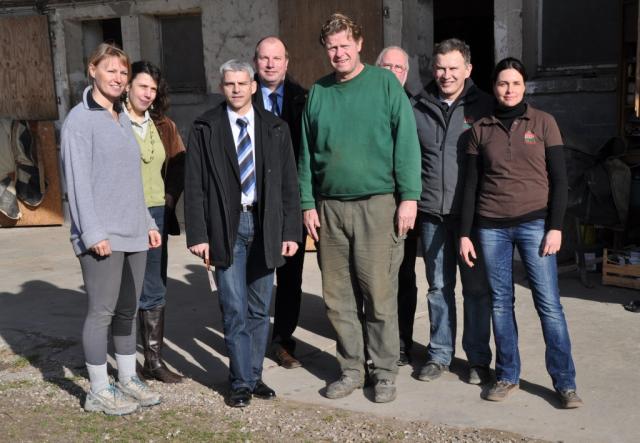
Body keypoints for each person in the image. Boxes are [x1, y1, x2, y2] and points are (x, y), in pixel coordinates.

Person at [298, 13, 421, 403]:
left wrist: (409, 197)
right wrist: (307, 203)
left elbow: (406, 143)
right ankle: (351, 369)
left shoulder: (385, 84)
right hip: (330, 209)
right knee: (337, 297)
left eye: (345, 45)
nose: (339, 53)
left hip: (377, 206)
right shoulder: (318, 93)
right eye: (332, 47)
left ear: (360, 44)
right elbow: (305, 154)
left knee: (379, 293)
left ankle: (384, 372)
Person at [459, 57, 583, 409]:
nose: (509, 89)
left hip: (535, 225)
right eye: (502, 83)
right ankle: (507, 375)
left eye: (515, 83)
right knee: (501, 303)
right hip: (491, 227)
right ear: (494, 87)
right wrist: (465, 233)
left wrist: (555, 227)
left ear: (524, 86)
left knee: (549, 305)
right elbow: (471, 186)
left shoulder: (544, 123)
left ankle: (565, 383)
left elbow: (560, 181)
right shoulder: (480, 129)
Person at [184, 60, 302, 408]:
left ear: (253, 86)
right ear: (221, 87)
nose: (236, 89)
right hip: (227, 227)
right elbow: (194, 184)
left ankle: (254, 376)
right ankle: (239, 382)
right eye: (229, 84)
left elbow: (289, 184)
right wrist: (198, 234)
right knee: (233, 307)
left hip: (265, 226)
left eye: (242, 83)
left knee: (259, 309)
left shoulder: (275, 128)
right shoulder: (206, 127)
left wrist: (290, 230)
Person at [60, 43, 162, 415]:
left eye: (123, 72)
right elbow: (78, 183)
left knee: (127, 310)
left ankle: (128, 378)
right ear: (93, 70)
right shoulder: (79, 121)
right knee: (101, 311)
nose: (118, 78)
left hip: (133, 230)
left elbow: (131, 179)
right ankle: (98, 390)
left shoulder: (121, 117)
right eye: (110, 70)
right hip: (101, 234)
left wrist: (147, 222)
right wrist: (92, 233)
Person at [412, 38, 494, 385]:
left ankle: (477, 359)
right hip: (432, 213)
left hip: (471, 217)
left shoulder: (485, 106)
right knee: (438, 288)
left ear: (468, 69)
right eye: (440, 68)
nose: (446, 75)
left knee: (475, 290)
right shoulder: (418, 106)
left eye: (453, 68)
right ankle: (440, 354)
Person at [124, 60, 186, 383]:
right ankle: (123, 361)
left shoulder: (163, 126)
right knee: (124, 286)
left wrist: (169, 200)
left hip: (157, 212)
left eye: (153, 88)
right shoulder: (114, 121)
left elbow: (179, 164)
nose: (148, 94)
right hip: (122, 213)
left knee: (154, 285)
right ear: (127, 87)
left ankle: (153, 360)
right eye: (142, 86)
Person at [252, 36, 308, 369]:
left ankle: (283, 340)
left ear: (287, 62)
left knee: (290, 277)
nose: (270, 64)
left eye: (277, 58)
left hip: (291, 202)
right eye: (264, 58)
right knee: (253, 274)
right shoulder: (241, 96)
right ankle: (251, 337)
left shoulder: (304, 98)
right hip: (253, 202)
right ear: (255, 62)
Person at [376, 45, 418, 366]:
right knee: (372, 277)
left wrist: (410, 198)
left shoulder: (417, 106)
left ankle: (402, 341)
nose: (392, 73)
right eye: (386, 67)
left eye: (398, 68)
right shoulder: (366, 103)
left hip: (406, 204)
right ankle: (374, 341)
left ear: (406, 74)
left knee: (403, 275)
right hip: (371, 204)